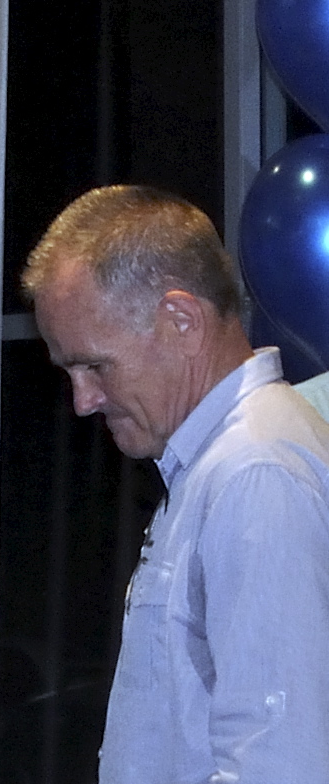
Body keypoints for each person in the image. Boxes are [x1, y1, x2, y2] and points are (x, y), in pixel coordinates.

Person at [23, 185, 329, 782]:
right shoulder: (219, 464)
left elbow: (280, 764)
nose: (83, 401)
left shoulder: (254, 473)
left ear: (182, 320)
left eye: (95, 365)